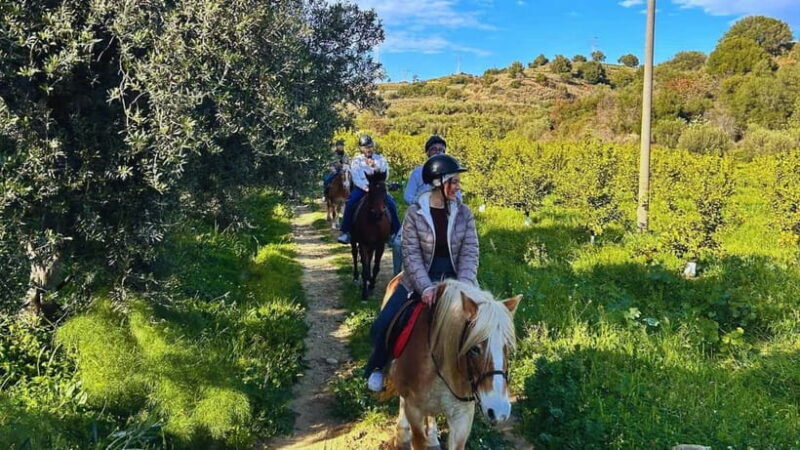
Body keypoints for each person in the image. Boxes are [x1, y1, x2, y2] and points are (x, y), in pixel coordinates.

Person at [365, 154, 478, 392]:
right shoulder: (415, 215)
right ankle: (377, 366)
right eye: (454, 182)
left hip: (458, 278)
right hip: (420, 278)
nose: (458, 187)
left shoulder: (465, 213)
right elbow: (411, 255)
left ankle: (487, 379)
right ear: (438, 183)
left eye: (458, 182)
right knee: (382, 324)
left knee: (488, 324)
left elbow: (470, 251)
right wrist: (425, 287)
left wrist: (465, 285)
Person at [390, 135, 450, 275]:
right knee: (398, 244)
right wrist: (422, 204)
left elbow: (458, 198)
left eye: (442, 150)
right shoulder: (418, 172)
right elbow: (407, 196)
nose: (438, 152)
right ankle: (397, 276)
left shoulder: (449, 173)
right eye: (434, 149)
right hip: (419, 215)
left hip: (444, 216)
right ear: (428, 152)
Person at [337, 135, 401, 245]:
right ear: (361, 148)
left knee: (391, 203)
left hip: (377, 189)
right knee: (351, 202)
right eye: (365, 147)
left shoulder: (380, 159)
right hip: (363, 188)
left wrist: (374, 166)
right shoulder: (356, 161)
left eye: (370, 146)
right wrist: (366, 188)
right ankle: (346, 231)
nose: (368, 149)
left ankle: (396, 232)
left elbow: (385, 174)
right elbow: (356, 177)